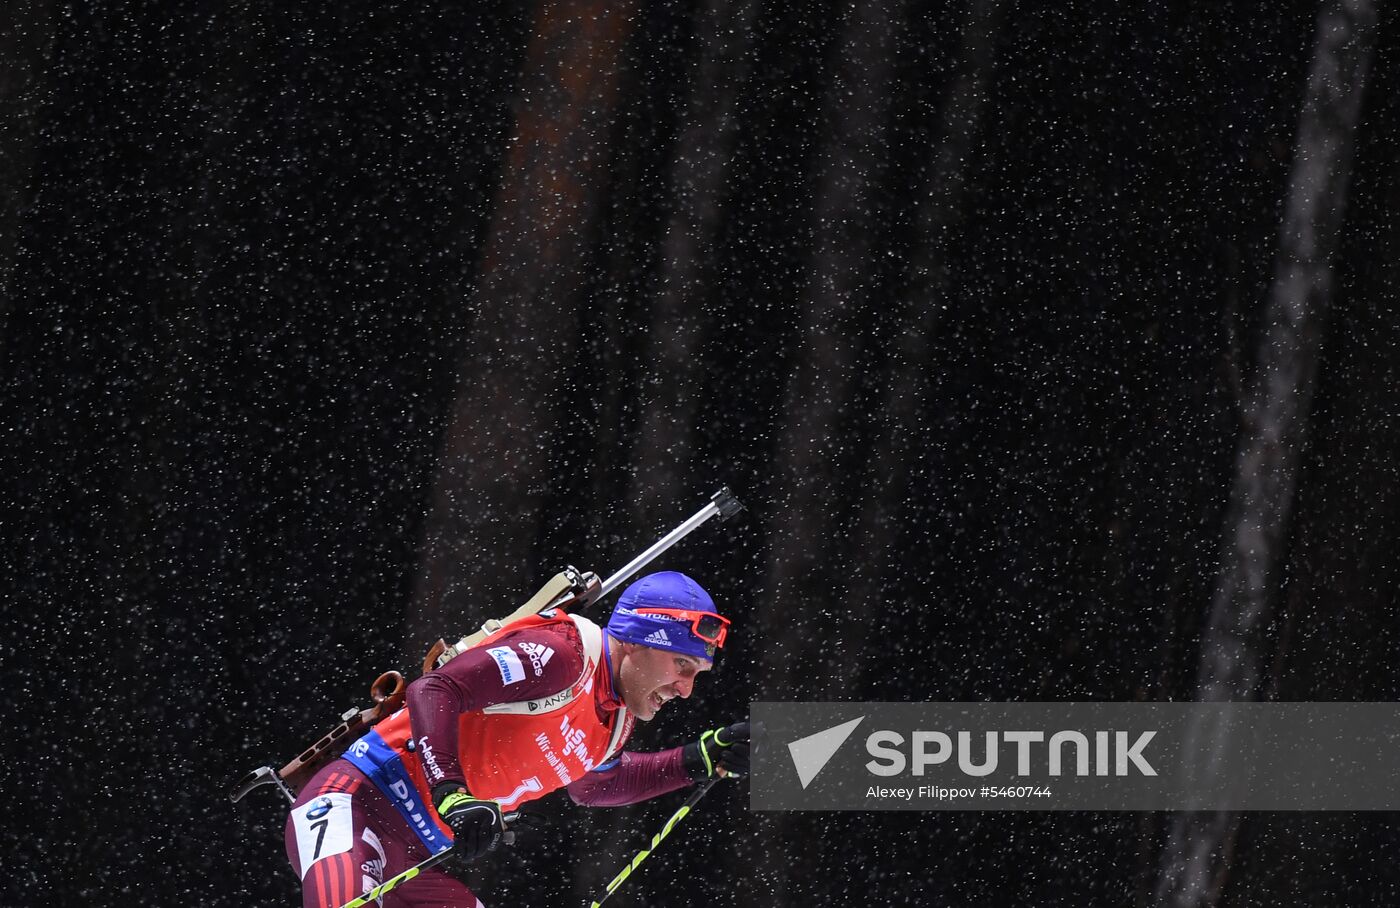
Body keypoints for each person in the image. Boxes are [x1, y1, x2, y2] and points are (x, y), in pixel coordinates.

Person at [284, 570, 750, 908]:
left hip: (411, 860)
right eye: (681, 665)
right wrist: (451, 792)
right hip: (354, 803)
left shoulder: (615, 722)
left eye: (697, 674)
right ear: (637, 640)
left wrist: (698, 760)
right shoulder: (562, 656)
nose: (686, 689)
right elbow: (436, 689)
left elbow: (593, 787)